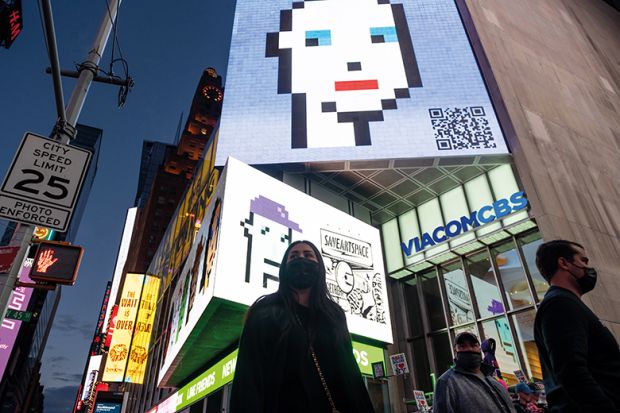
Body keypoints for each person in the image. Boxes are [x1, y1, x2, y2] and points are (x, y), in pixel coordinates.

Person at [230, 240, 375, 413]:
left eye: (308, 255)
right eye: (294, 256)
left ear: (319, 266)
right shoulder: (264, 311)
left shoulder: (333, 314)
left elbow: (350, 372)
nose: (301, 259)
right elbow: (248, 375)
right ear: (284, 268)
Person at [534, 240, 620, 412]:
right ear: (564, 263)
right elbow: (571, 371)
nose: (588, 267)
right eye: (583, 261)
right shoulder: (560, 304)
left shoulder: (567, 303)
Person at [434, 331, 516, 413]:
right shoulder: (446, 382)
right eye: (462, 346)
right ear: (455, 352)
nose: (469, 349)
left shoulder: (492, 379)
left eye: (473, 345)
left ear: (479, 349)